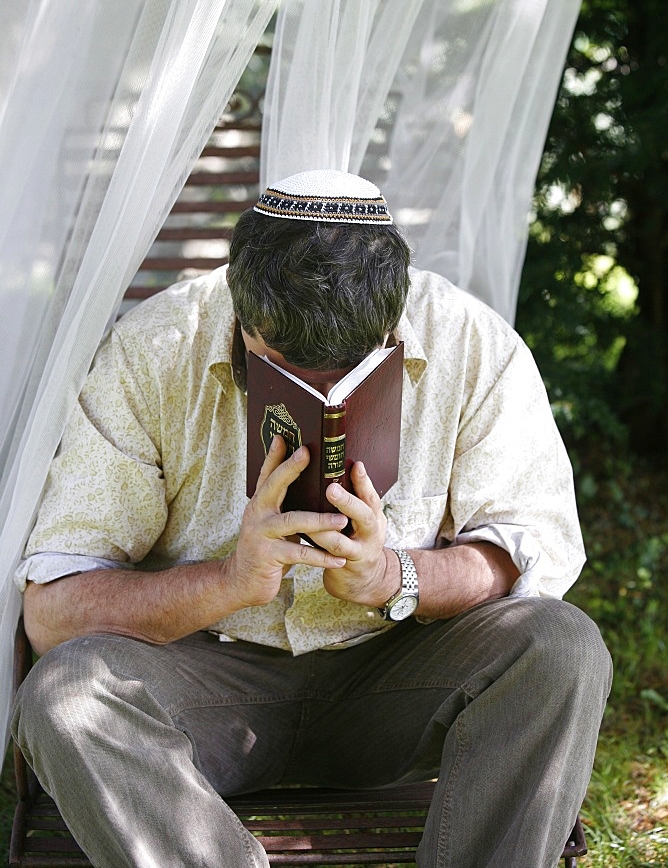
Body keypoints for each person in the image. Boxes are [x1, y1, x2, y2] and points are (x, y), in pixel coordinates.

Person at [12, 169, 611, 868]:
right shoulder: (155, 349)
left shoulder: (471, 343)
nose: (319, 395)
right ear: (240, 313)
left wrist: (397, 577)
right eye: (283, 367)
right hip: (206, 684)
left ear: (394, 318)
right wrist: (229, 581)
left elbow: (530, 547)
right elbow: (52, 613)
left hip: (394, 686)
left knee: (561, 647)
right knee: (67, 696)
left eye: (351, 372)